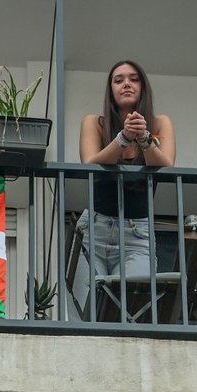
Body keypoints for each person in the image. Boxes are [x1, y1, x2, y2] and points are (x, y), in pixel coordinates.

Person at [77, 60, 176, 279]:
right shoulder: (94, 122)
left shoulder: (160, 123)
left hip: (137, 232)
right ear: (110, 90)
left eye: (134, 79)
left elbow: (166, 165)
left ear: (143, 87)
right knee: (88, 307)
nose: (126, 84)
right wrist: (123, 138)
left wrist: (144, 139)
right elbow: (91, 163)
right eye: (118, 80)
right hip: (95, 227)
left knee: (132, 306)